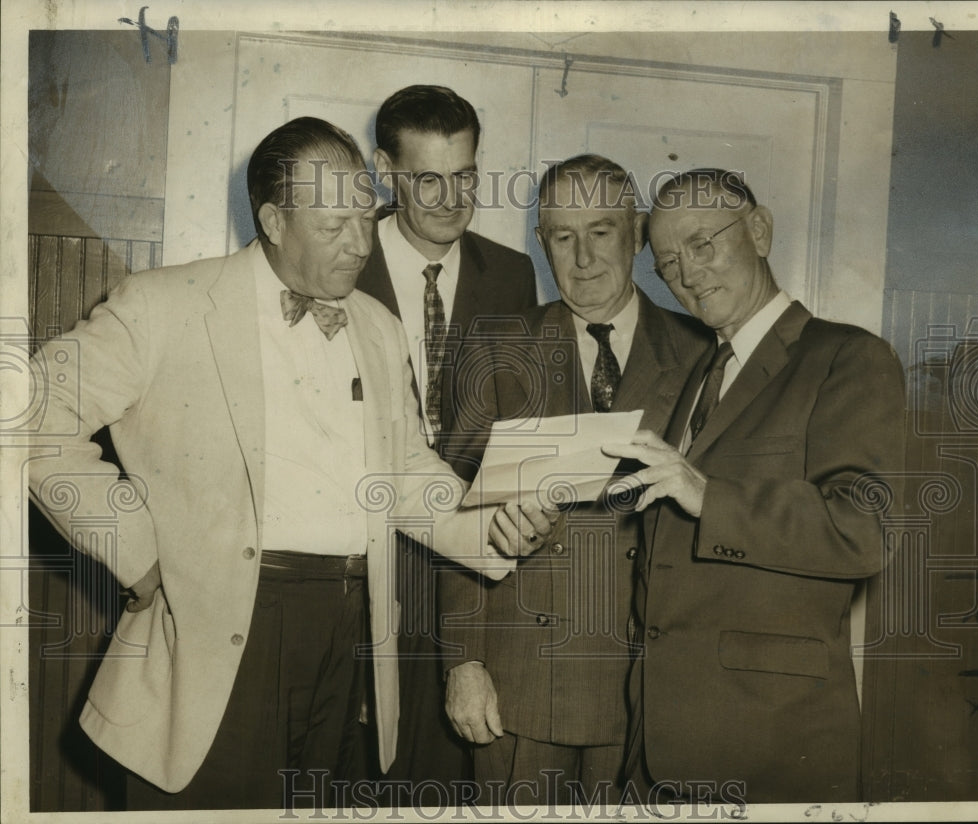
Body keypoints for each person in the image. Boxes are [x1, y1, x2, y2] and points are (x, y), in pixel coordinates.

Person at [27, 116, 550, 811]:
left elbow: (402, 476)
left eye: (366, 219)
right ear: (274, 221)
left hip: (350, 627)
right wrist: (139, 554)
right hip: (222, 628)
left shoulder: (376, 325)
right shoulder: (160, 305)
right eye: (334, 225)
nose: (360, 244)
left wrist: (493, 528)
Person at [605, 168, 906, 804]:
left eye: (702, 244)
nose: (687, 275)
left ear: (760, 231)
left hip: (773, 740)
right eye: (666, 262)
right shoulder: (698, 373)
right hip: (660, 745)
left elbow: (865, 532)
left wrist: (709, 495)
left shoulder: (846, 357)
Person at [437, 155, 710, 805]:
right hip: (520, 683)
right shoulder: (495, 346)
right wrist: (461, 661)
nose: (583, 257)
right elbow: (453, 514)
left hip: (647, 685)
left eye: (602, 231)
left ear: (637, 233)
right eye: (562, 236)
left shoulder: (702, 351)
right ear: (541, 243)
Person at [355, 85, 537, 797]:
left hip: (463, 574)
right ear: (383, 168)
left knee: (439, 779)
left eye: (465, 177)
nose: (450, 199)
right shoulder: (341, 254)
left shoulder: (513, 274)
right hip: (354, 560)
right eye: (427, 178)